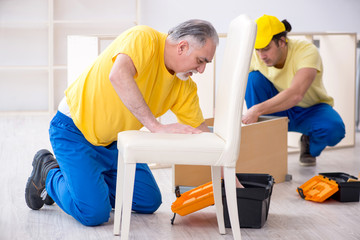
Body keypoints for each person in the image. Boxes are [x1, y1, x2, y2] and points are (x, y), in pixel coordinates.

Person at [25, 19, 219, 226]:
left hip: (114, 142)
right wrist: (155, 126)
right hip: (74, 131)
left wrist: (233, 184)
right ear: (182, 47)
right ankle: (49, 172)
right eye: (201, 61)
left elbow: (204, 136)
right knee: (94, 214)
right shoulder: (144, 38)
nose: (201, 70)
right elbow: (118, 75)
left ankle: (88, 185)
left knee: (148, 201)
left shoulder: (184, 87)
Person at [242, 14, 345, 166]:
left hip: (310, 109)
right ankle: (264, 144)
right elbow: (235, 85)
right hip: (276, 108)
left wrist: (256, 110)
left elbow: (296, 94)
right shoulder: (256, 56)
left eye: (266, 49)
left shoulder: (306, 51)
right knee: (253, 79)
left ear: (282, 42)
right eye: (258, 49)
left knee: (335, 130)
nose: (262, 55)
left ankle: (308, 142)